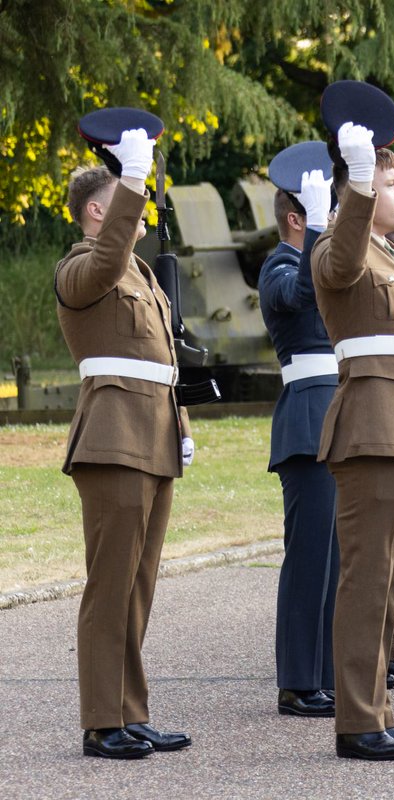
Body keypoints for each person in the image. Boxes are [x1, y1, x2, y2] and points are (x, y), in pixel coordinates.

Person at [56, 130, 192, 758]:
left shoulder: (140, 274)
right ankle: (100, 720)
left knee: (138, 586)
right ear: (96, 212)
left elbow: (161, 359)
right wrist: (133, 180)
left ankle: (129, 711)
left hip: (152, 436)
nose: (142, 214)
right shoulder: (82, 267)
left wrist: (181, 428)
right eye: (128, 200)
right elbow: (105, 260)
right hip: (112, 439)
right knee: (110, 584)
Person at [312, 119, 394, 760]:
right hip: (371, 430)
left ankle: (378, 712)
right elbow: (341, 256)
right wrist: (360, 181)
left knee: (385, 581)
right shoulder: (341, 247)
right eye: (391, 184)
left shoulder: (392, 258)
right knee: (366, 579)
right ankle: (358, 721)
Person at [259, 165, 339, 718]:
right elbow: (299, 295)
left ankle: (327, 672)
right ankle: (296, 681)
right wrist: (317, 230)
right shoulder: (279, 264)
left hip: (337, 415)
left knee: (335, 558)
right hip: (307, 419)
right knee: (310, 556)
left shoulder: (314, 259)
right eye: (319, 209)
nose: (331, 218)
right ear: (297, 217)